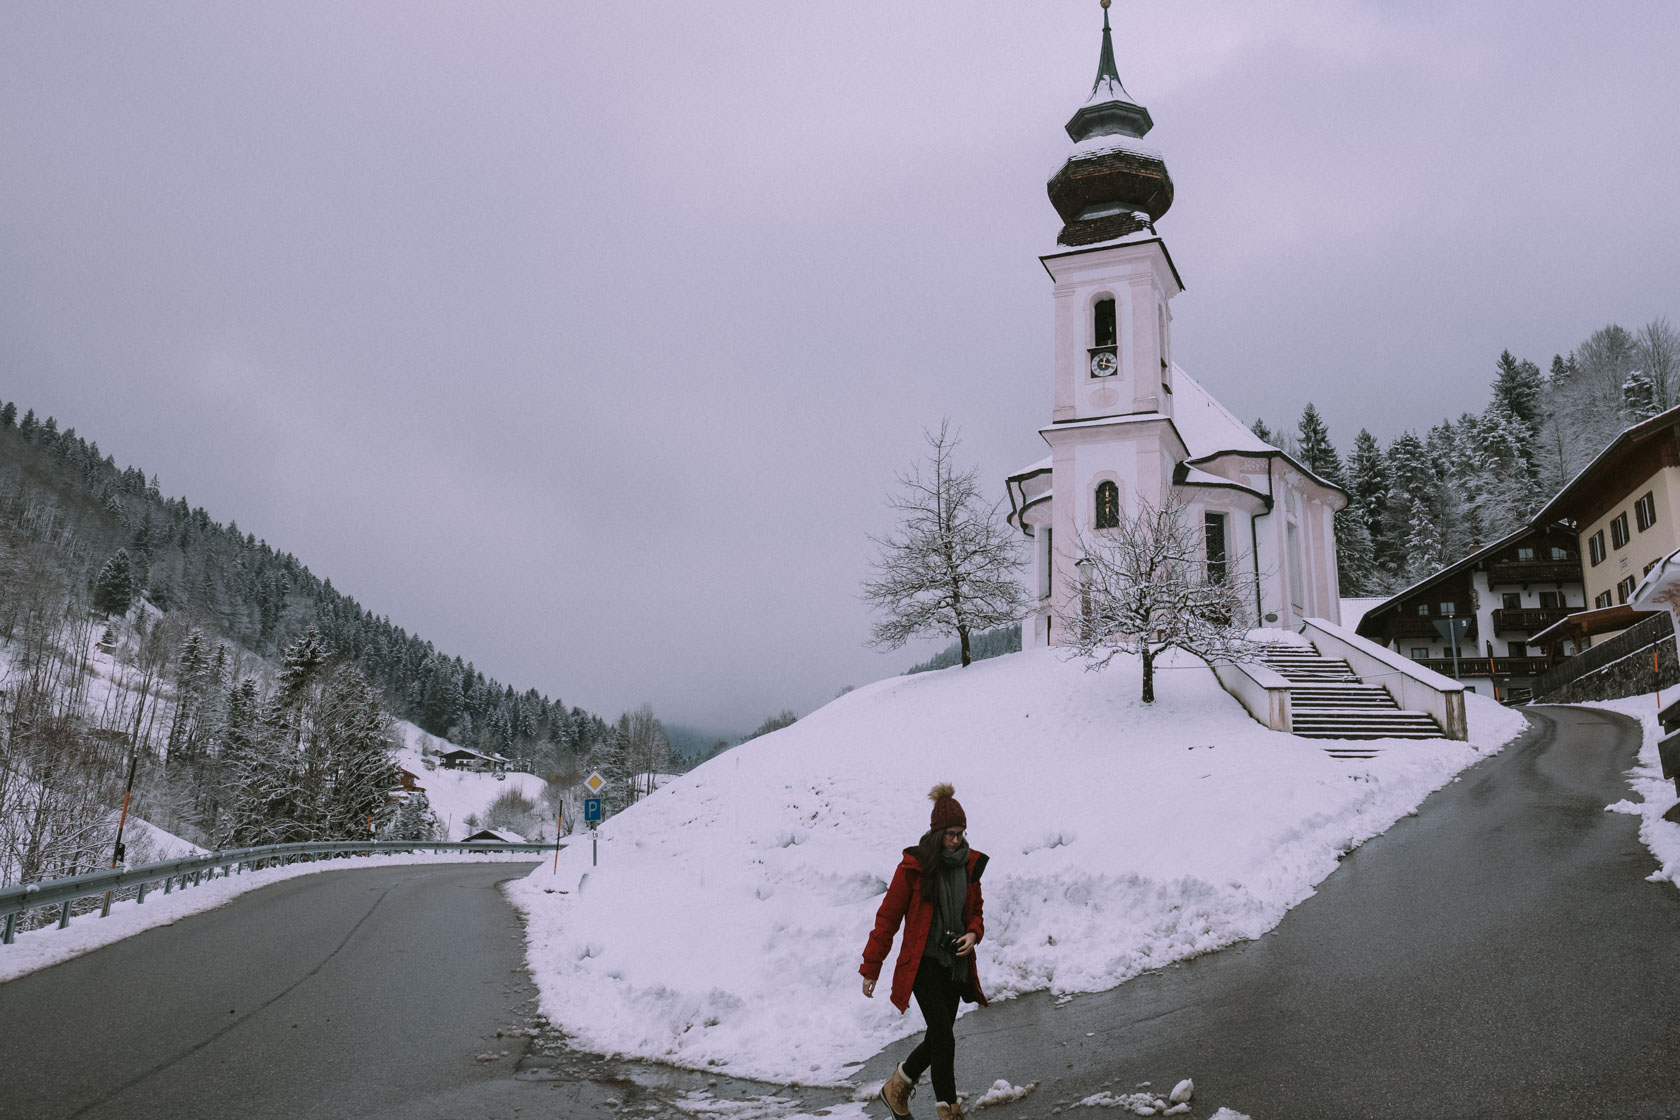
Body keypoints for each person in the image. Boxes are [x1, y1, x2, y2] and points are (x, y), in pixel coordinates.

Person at [860, 783, 988, 1120]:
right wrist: (871, 967)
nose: (957, 840)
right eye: (951, 834)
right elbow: (887, 918)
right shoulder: (914, 869)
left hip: (955, 965)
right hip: (923, 966)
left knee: (937, 1037)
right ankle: (949, 1112)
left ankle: (896, 1087)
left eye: (961, 833)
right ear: (936, 833)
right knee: (945, 1039)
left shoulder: (969, 866)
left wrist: (974, 933)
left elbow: (976, 910)